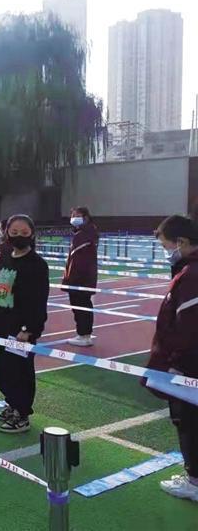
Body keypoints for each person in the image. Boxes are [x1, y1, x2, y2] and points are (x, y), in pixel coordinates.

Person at [144, 214, 198, 502]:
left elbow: (186, 329)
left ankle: (194, 481)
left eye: (166, 246)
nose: (166, 252)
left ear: (182, 242)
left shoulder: (191, 276)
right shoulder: (188, 271)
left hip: (188, 367)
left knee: (188, 421)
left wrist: (172, 361)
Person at [0, 214, 49, 434]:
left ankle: (22, 413)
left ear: (32, 235)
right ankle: (12, 404)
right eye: (14, 232)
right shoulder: (4, 258)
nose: (18, 236)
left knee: (19, 371)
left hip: (20, 330)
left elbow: (39, 301)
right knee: (1, 368)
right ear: (7, 234)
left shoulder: (37, 265)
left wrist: (29, 329)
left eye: (24, 232)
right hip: (1, 325)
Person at [63, 207, 100, 347]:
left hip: (80, 279)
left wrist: (71, 279)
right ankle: (83, 334)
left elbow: (80, 261)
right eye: (72, 215)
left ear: (86, 217)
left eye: (77, 215)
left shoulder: (85, 235)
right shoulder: (84, 233)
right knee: (81, 306)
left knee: (81, 306)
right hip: (81, 278)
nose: (73, 217)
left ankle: (84, 335)